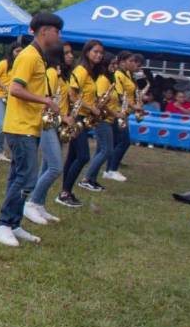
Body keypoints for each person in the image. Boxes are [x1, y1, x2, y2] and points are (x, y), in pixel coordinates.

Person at [0, 12, 64, 247]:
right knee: (26, 178)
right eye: (57, 31)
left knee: (18, 176)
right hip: (20, 127)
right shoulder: (29, 56)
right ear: (44, 31)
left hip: (30, 126)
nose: (59, 36)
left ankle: (13, 223)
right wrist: (46, 101)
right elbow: (15, 89)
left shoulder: (39, 57)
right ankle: (2, 224)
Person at [24, 44, 74, 226]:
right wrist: (63, 117)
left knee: (47, 166)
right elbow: (47, 102)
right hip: (47, 122)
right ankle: (30, 203)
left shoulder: (60, 74)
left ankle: (39, 204)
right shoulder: (51, 73)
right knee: (55, 167)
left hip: (55, 122)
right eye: (66, 53)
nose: (70, 56)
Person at [56, 39, 107, 208]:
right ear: (87, 52)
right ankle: (65, 192)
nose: (99, 55)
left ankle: (66, 191)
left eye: (101, 53)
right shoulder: (81, 70)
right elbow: (72, 95)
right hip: (76, 116)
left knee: (72, 156)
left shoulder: (92, 72)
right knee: (83, 155)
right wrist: (91, 107)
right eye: (95, 52)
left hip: (84, 118)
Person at [79, 54, 119, 193]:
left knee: (101, 150)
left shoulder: (109, 80)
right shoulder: (103, 80)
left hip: (107, 119)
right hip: (102, 119)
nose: (115, 67)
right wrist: (115, 114)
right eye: (112, 64)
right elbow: (100, 101)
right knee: (107, 150)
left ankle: (92, 179)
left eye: (116, 64)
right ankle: (86, 178)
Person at [103, 52, 142, 182]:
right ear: (122, 61)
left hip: (126, 111)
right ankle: (112, 169)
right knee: (124, 141)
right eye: (131, 61)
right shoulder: (119, 74)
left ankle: (109, 169)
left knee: (116, 142)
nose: (134, 64)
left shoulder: (129, 75)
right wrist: (133, 106)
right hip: (119, 111)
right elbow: (121, 95)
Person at [0, 44, 22, 161]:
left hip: (11, 99)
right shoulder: (3, 63)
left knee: (8, 127)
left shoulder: (20, 66)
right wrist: (4, 86)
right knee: (1, 125)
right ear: (12, 51)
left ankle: (0, 151)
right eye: (17, 51)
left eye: (21, 52)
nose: (19, 54)